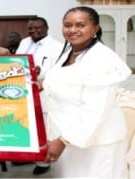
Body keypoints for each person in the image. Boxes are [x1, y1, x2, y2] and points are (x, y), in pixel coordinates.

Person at [41, 6, 131, 178]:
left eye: (80, 25)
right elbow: (62, 81)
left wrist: (62, 141)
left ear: (95, 29)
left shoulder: (102, 59)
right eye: (67, 25)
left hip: (96, 143)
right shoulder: (70, 52)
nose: (72, 30)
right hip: (67, 137)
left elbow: (95, 109)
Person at [15, 16, 63, 175]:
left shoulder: (57, 46)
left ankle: (43, 162)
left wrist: (40, 73)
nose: (34, 31)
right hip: (23, 92)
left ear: (47, 28)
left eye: (38, 28)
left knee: (43, 129)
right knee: (26, 127)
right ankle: (27, 155)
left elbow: (58, 71)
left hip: (43, 94)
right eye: (31, 28)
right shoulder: (24, 42)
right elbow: (17, 61)